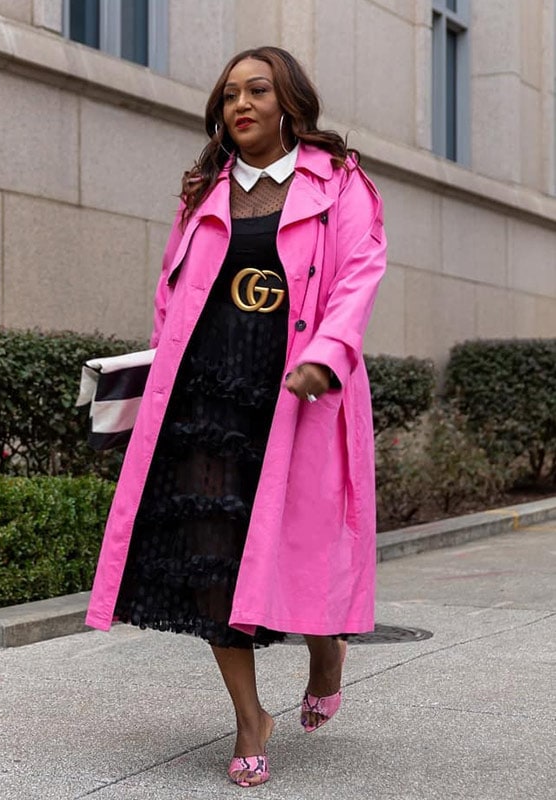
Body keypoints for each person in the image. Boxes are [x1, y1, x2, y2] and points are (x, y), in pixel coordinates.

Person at [86, 46, 387, 788]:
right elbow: (171, 297)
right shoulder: (203, 192)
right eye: (229, 96)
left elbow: (358, 274)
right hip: (207, 397)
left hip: (298, 392)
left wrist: (329, 353)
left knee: (308, 556)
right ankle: (252, 716)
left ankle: (327, 652)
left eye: (257, 91)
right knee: (211, 554)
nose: (241, 105)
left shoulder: (339, 183)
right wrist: (156, 382)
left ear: (290, 102)